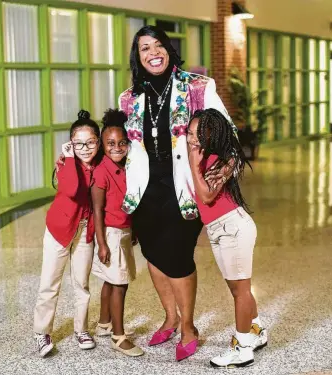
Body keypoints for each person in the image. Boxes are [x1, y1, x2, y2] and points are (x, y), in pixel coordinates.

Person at [118, 25, 234, 361]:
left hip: (185, 187)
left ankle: (189, 327)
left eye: (158, 45)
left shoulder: (197, 87)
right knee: (154, 253)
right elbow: (123, 146)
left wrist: (217, 177)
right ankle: (170, 317)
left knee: (178, 256)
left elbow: (227, 133)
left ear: (168, 48)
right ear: (137, 57)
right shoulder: (129, 97)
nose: (153, 52)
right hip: (144, 189)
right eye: (144, 48)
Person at [186, 108, 268, 368]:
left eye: (199, 134)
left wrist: (193, 163)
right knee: (238, 288)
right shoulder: (201, 154)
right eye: (189, 133)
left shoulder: (225, 157)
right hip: (218, 229)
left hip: (233, 227)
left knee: (241, 291)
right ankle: (256, 331)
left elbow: (208, 195)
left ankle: (242, 347)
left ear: (213, 133)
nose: (192, 139)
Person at [33, 110, 100, 357]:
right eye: (78, 143)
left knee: (81, 283)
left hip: (85, 230)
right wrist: (70, 157)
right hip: (59, 229)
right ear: (70, 144)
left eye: (90, 142)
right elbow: (72, 189)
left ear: (98, 142)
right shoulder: (65, 164)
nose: (85, 148)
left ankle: (81, 329)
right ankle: (41, 333)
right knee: (49, 283)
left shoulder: (100, 165)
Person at [91, 109, 144, 357]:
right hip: (109, 234)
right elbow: (98, 210)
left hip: (122, 230)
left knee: (109, 280)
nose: (117, 147)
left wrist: (131, 228)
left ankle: (104, 323)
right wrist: (102, 244)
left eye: (122, 143)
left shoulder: (126, 166)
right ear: (102, 145)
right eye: (110, 143)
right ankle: (118, 336)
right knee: (119, 283)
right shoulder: (101, 171)